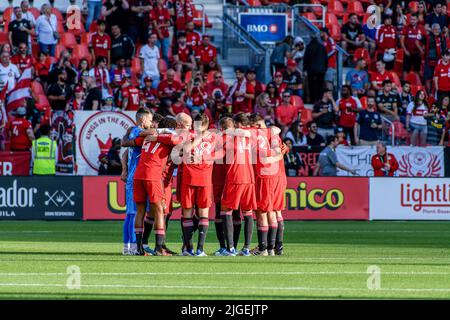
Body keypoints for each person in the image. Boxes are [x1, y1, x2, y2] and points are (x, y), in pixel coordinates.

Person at [120, 108, 153, 255]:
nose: (151, 124)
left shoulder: (132, 132)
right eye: (150, 121)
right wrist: (156, 131)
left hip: (133, 176)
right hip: (135, 177)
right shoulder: (136, 131)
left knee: (131, 213)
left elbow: (125, 148)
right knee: (134, 213)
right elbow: (127, 142)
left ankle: (128, 247)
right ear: (143, 120)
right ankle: (133, 246)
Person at [400, 13, 426, 80]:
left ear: (417, 20)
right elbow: (402, 40)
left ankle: (417, 85)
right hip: (408, 52)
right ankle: (404, 83)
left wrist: (422, 50)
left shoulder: (421, 28)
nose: (412, 21)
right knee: (405, 70)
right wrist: (405, 50)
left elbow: (424, 40)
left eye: (414, 19)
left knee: (416, 70)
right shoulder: (406, 27)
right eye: (411, 19)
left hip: (417, 53)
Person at [303, 35, 328, 103]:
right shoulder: (322, 46)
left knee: (311, 85)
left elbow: (306, 58)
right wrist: (325, 68)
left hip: (311, 70)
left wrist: (304, 68)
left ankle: (313, 100)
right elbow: (326, 59)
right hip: (321, 70)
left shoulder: (309, 46)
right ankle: (320, 100)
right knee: (320, 86)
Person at [150, 0, 171, 64]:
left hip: (165, 35)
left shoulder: (166, 10)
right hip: (156, 35)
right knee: (156, 54)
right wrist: (159, 34)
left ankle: (166, 69)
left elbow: (168, 23)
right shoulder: (153, 10)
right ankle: (157, 69)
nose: (162, 1)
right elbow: (155, 25)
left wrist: (161, 25)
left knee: (165, 54)